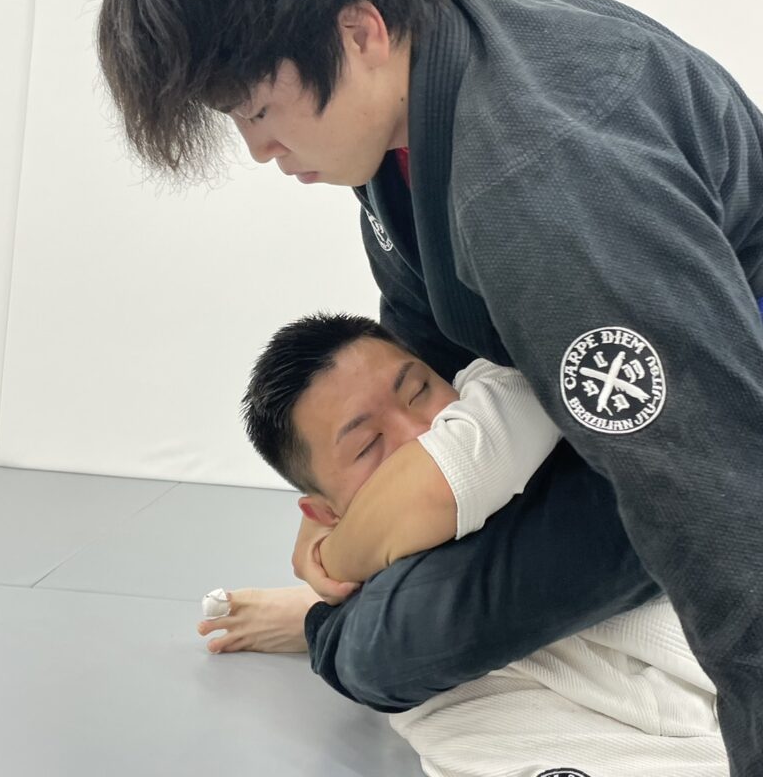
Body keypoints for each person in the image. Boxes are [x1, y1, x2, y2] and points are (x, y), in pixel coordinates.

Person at [97, 0, 763, 776]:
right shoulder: (413, 107)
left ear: (358, 30)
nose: (259, 150)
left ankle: (327, 626)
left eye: (258, 110)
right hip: (594, 416)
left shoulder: (539, 181)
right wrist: (361, 519)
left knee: (392, 642)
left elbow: (726, 510)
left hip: (715, 431)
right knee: (396, 574)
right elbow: (430, 349)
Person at [197, 313, 727, 776]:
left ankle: (317, 612)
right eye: (368, 445)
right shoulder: (425, 667)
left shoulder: (510, 390)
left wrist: (335, 562)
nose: (425, 433)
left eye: (419, 391)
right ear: (325, 515)